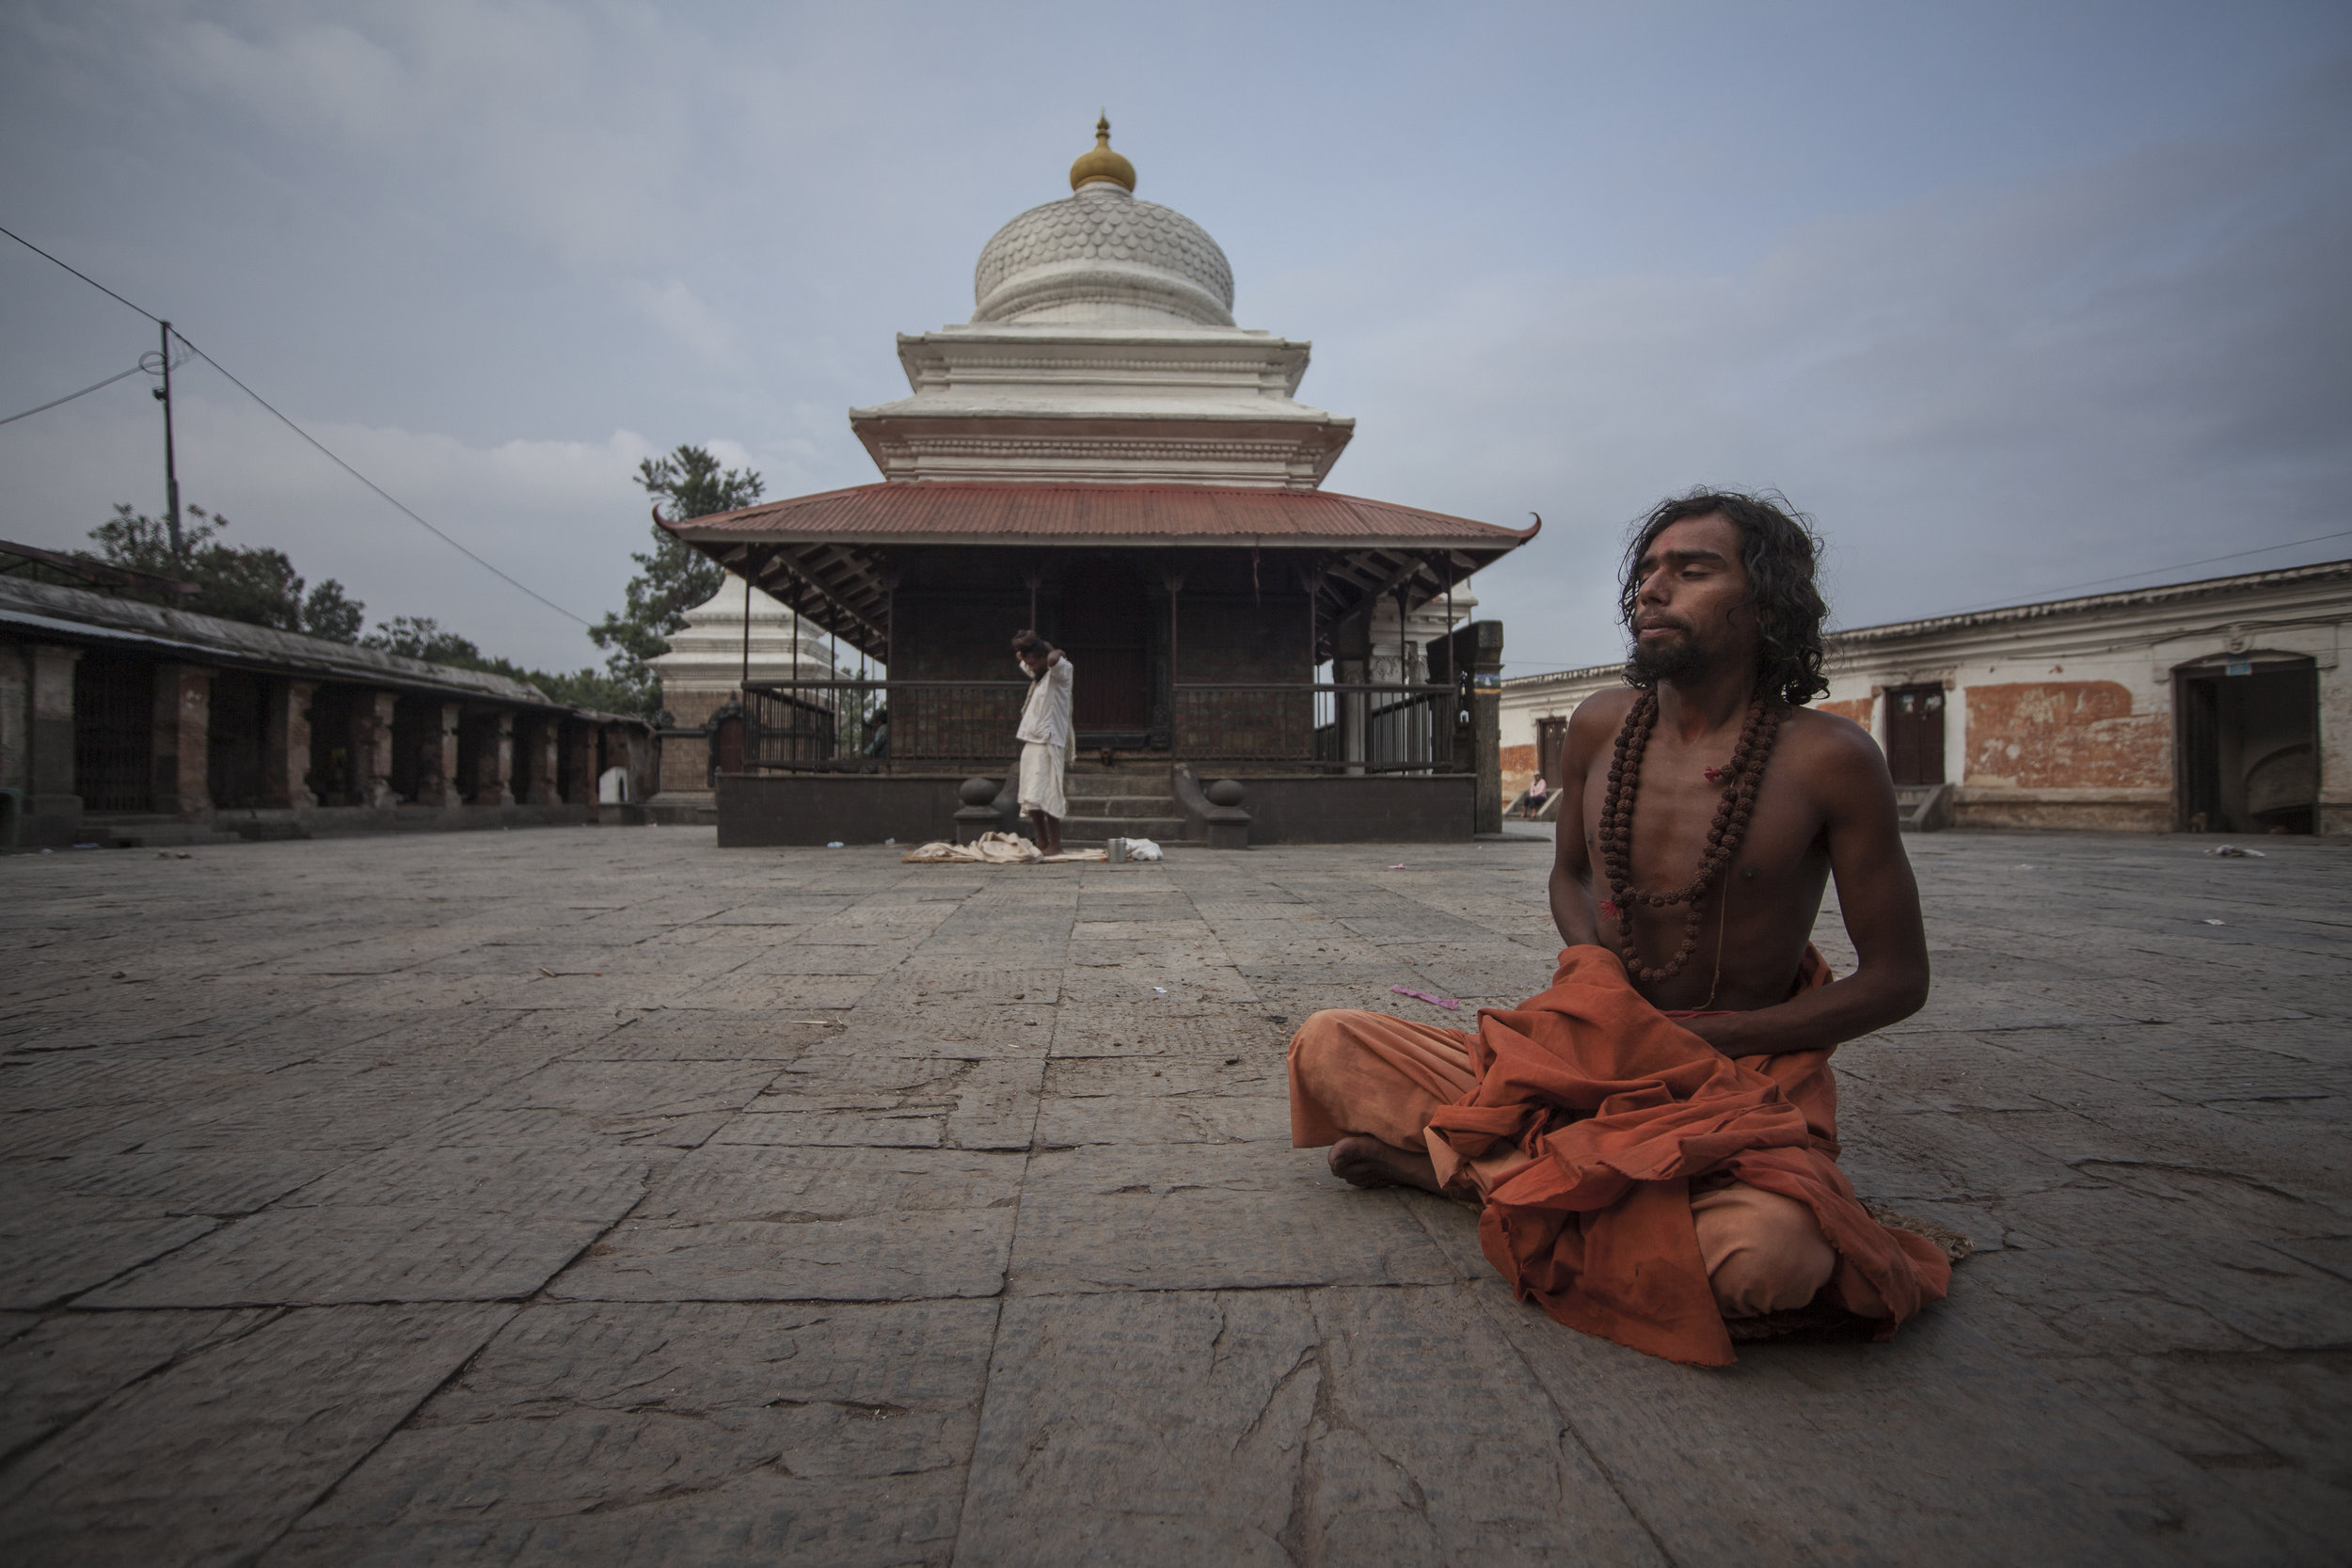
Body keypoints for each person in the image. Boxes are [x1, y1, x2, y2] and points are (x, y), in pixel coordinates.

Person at [1287, 490, 1951, 1367]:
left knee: (1769, 1256)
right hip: (1586, 1050)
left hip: (1735, 1077)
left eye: (1693, 569)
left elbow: (1899, 978)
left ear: (1766, 600)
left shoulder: (1829, 758)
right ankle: (1556, 1181)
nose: (1653, 589)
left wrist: (1712, 1034)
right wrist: (1597, 977)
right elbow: (1568, 873)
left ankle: (1470, 1174)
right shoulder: (1603, 725)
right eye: (1646, 570)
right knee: (1327, 1044)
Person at [1012, 630, 1073, 856]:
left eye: (1034, 661)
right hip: (1032, 740)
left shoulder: (1062, 673)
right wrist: (1028, 648)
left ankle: (1055, 844)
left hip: (1049, 741)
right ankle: (1042, 841)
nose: (1031, 665)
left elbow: (1053, 660)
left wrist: (1053, 651)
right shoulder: (1037, 675)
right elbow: (1021, 657)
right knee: (1032, 795)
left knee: (1049, 793)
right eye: (1029, 662)